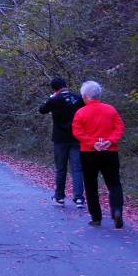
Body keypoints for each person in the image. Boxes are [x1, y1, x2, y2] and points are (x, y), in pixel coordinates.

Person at [72, 80, 125, 228]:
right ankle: (117, 211)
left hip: (89, 153)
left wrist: (92, 143)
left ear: (86, 96)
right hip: (110, 152)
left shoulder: (80, 112)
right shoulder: (111, 110)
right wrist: (109, 141)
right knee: (114, 183)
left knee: (90, 185)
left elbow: (77, 131)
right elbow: (119, 128)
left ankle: (96, 217)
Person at [39, 77, 86, 207]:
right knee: (77, 169)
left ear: (54, 88)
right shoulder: (78, 98)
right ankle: (79, 198)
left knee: (61, 168)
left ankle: (59, 196)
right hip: (77, 137)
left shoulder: (54, 100)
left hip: (60, 139)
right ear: (65, 85)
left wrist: (51, 97)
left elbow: (42, 109)